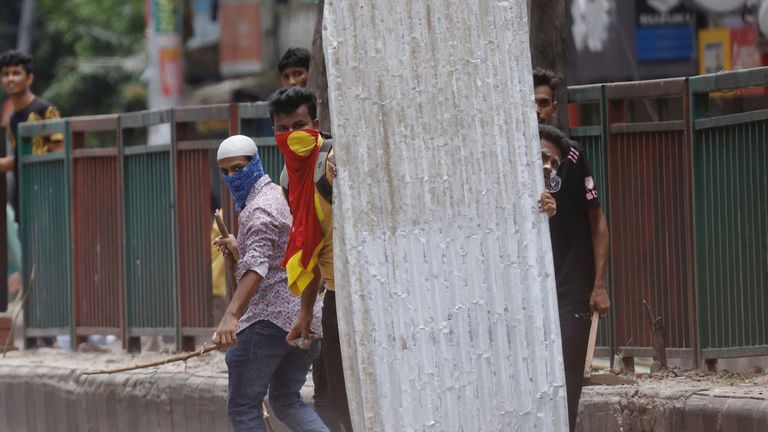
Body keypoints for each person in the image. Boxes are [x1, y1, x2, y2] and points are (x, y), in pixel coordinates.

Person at [212, 134, 328, 432]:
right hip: (306, 316)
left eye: (238, 168)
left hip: (270, 321)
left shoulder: (259, 209)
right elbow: (274, 254)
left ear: (255, 163)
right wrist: (238, 248)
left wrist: (232, 315)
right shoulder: (278, 195)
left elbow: (258, 267)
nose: (231, 177)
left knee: (243, 407)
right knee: (287, 401)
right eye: (224, 172)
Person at [267, 87, 351, 432]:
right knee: (330, 393)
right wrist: (304, 312)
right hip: (331, 293)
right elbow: (308, 250)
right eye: (282, 129)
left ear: (315, 124)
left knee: (348, 390)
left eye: (299, 125)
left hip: (356, 291)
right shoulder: (289, 177)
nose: (291, 136)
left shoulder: (331, 163)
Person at [538, 120, 611, 431]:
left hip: (569, 289)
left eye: (553, 162)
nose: (547, 166)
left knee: (568, 380)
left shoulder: (573, 160)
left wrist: (599, 285)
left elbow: (597, 219)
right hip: (531, 297)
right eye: (541, 157)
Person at [0, 50, 64, 223]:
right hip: (23, 193)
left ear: (29, 78)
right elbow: (20, 158)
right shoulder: (12, 119)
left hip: (47, 192)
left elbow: (59, 153)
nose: (10, 79)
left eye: (16, 73)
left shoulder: (45, 109)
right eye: (6, 74)